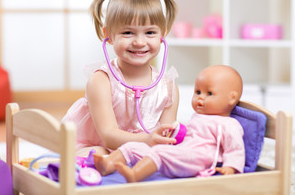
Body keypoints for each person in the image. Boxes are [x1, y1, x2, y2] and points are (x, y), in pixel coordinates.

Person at [62, 0, 179, 156]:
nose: (139, 42)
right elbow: (108, 135)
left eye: (150, 32)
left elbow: (165, 138)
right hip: (103, 147)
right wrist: (147, 140)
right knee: (97, 154)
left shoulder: (168, 88)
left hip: (144, 152)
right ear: (107, 34)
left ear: (163, 34)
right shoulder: (101, 81)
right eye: (128, 32)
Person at [93, 65, 245, 182]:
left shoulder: (229, 124)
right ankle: (107, 165)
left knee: (160, 152)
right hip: (182, 153)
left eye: (209, 93)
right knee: (134, 146)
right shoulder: (199, 117)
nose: (200, 98)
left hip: (198, 159)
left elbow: (235, 148)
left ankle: (134, 175)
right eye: (198, 92)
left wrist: (230, 167)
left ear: (231, 98)